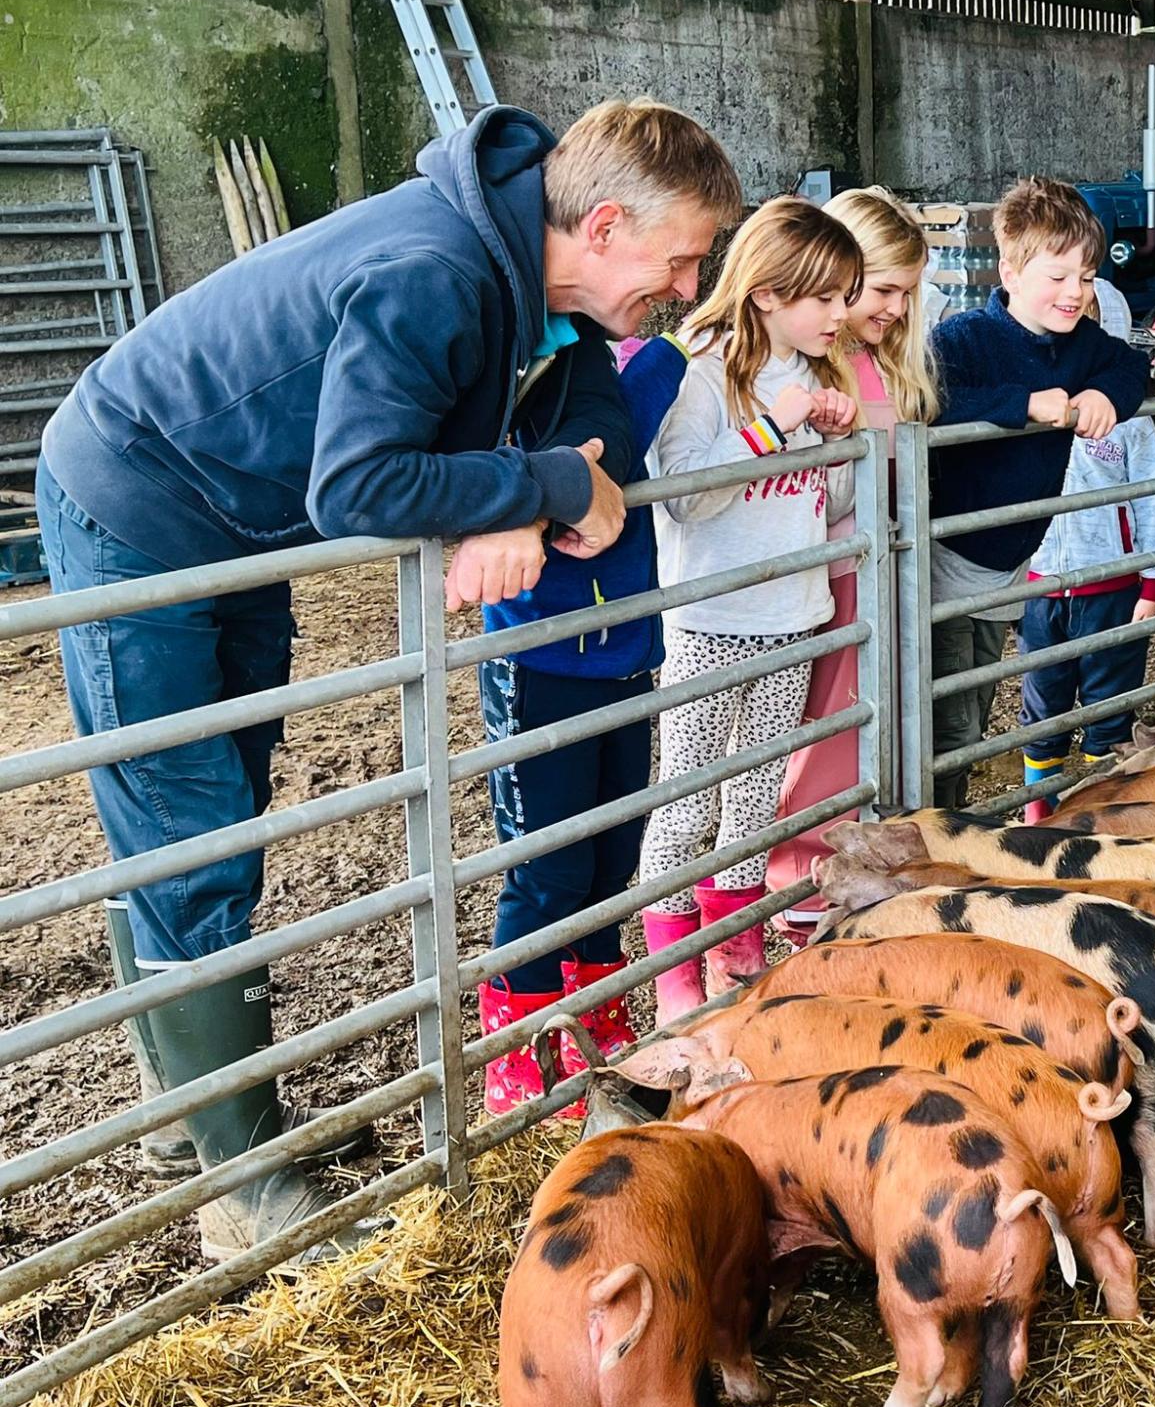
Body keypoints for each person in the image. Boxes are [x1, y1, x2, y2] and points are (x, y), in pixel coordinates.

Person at [34, 99, 737, 1261]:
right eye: (682, 257)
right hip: (139, 502)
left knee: (218, 801)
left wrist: (546, 472)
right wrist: (536, 491)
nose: (688, 281)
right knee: (190, 829)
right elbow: (358, 487)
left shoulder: (529, 275)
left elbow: (594, 400)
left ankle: (184, 1125)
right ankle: (237, 1186)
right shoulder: (436, 273)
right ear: (604, 225)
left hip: (234, 520)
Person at [473, 325, 710, 1116]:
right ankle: (522, 1060)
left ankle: (596, 1038)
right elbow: (614, 438)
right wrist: (667, 354)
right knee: (548, 872)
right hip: (539, 660)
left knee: (612, 861)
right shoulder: (527, 378)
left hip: (621, 656)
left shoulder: (609, 363)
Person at [636, 198, 862, 1019]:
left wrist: (837, 439)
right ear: (766, 292)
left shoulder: (814, 371)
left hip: (794, 611)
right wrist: (775, 427)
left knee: (757, 793)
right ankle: (673, 975)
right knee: (688, 796)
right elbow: (687, 496)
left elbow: (825, 497)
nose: (843, 315)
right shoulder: (702, 368)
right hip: (711, 623)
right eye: (827, 298)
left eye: (847, 297)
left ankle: (735, 951)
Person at [927, 176, 1151, 808]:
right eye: (1057, 277)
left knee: (975, 700)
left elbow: (1134, 364)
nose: (1075, 292)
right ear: (1011, 270)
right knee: (953, 720)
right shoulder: (963, 340)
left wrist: (1106, 395)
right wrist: (1023, 405)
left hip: (1010, 563)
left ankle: (943, 820)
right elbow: (933, 403)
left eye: (1085, 275)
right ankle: (933, 829)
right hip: (948, 559)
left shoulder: (1080, 345)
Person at [764, 186, 940, 944]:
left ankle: (853, 858)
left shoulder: (873, 362)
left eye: (907, 293)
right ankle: (800, 878)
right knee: (825, 731)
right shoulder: (813, 369)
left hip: (877, 568)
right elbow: (814, 482)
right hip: (832, 571)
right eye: (885, 289)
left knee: (870, 720)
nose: (897, 307)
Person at [1016, 280, 1155, 823]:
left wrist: (1153, 581)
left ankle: (1100, 812)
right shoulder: (1034, 405)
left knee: (1110, 701)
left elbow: (1151, 501)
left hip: (1113, 585)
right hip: (1041, 582)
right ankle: (1040, 812)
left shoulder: (1133, 422)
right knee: (1042, 700)